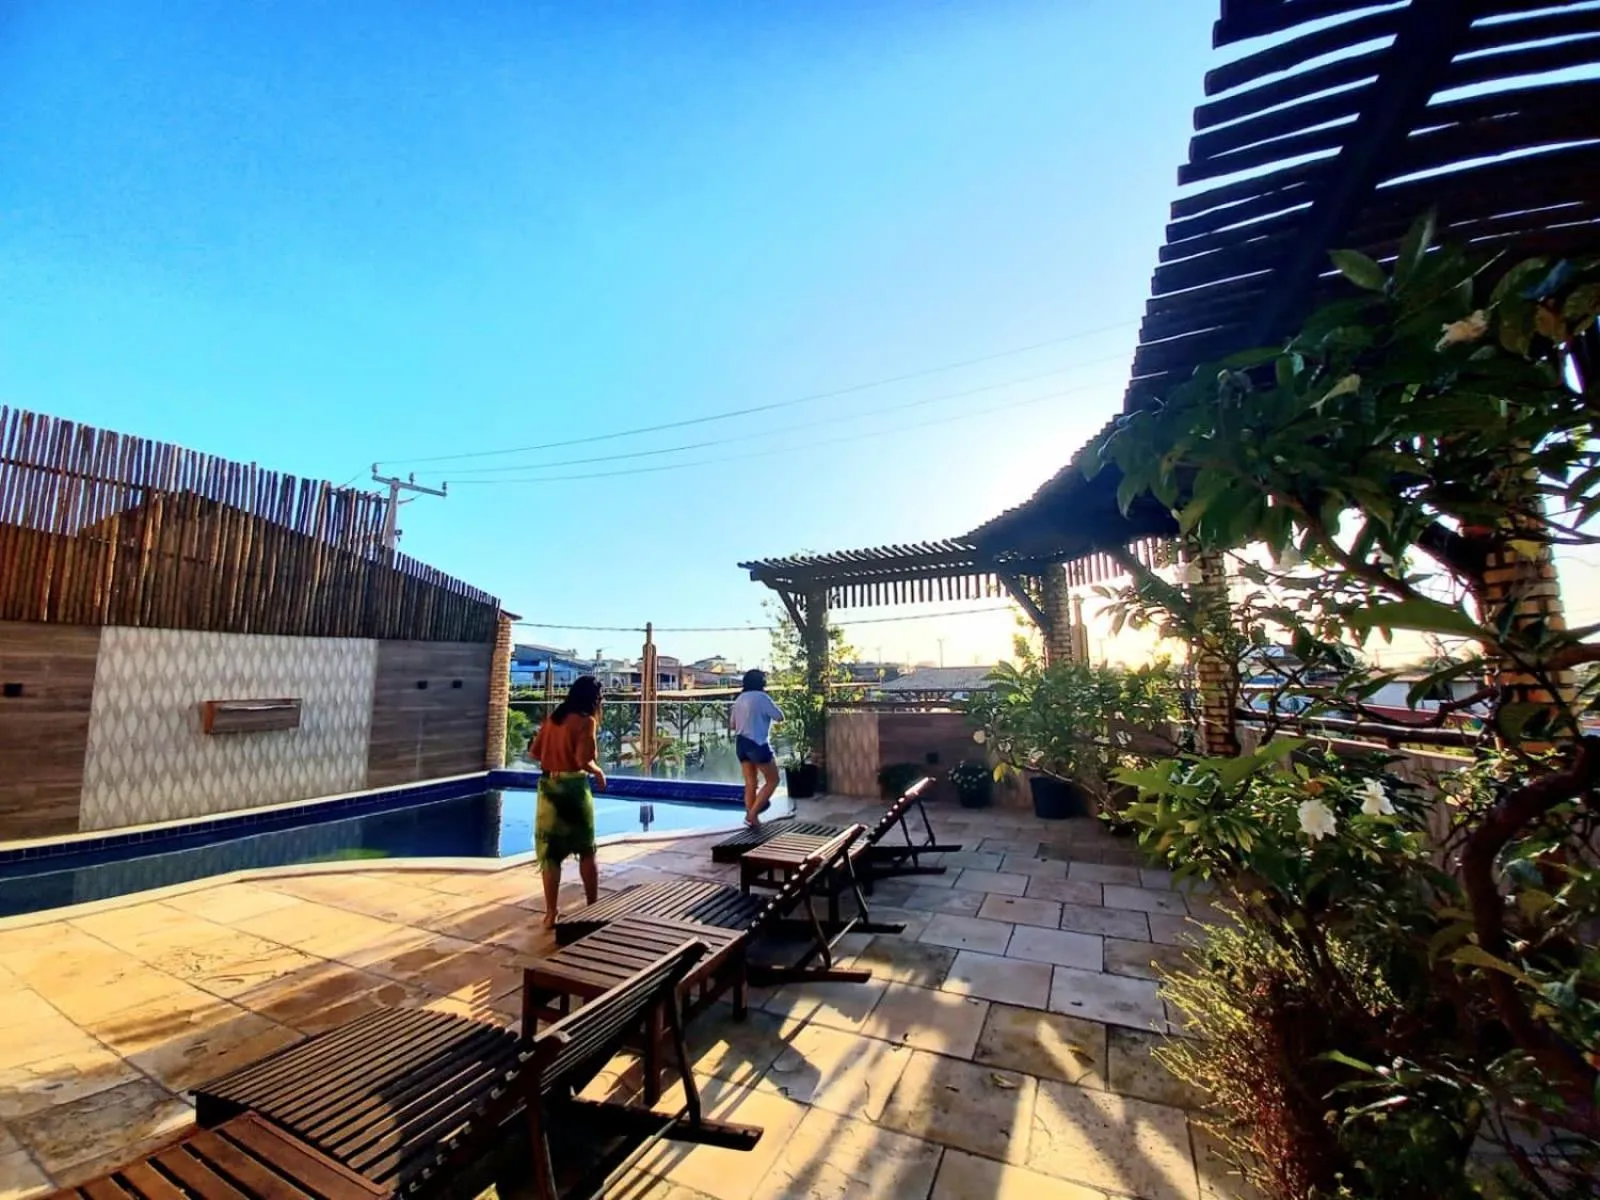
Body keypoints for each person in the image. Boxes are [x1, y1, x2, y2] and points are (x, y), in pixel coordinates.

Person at [526, 675, 607, 928]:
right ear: (593, 699)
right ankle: (594, 906)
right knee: (586, 849)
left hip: (548, 788)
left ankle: (550, 913)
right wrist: (599, 771)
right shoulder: (586, 721)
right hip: (573, 789)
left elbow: (534, 752)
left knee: (551, 854)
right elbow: (584, 760)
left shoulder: (554, 719)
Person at [729, 668, 783, 826]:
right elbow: (779, 717)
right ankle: (752, 815)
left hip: (741, 743)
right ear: (762, 682)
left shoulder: (739, 699)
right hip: (757, 743)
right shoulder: (762, 697)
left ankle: (752, 818)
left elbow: (732, 725)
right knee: (773, 780)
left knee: (751, 783)